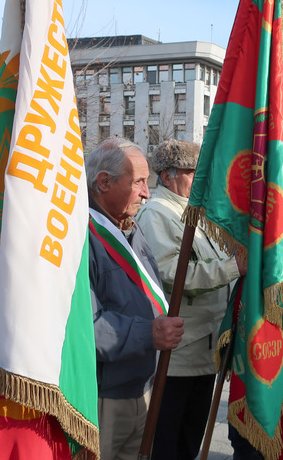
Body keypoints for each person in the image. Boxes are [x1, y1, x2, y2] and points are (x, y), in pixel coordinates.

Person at [133, 139, 247, 460]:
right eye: (189, 171)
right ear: (166, 177)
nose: (198, 178)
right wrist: (232, 267)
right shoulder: (157, 214)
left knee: (189, 441)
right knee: (168, 444)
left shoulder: (193, 211)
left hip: (203, 352)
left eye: (200, 171)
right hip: (177, 358)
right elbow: (172, 273)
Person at [85, 137, 185, 460]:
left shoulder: (130, 226)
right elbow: (88, 324)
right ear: (104, 182)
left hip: (143, 387)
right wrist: (149, 333)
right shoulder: (81, 235)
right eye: (139, 182)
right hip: (105, 399)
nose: (147, 192)